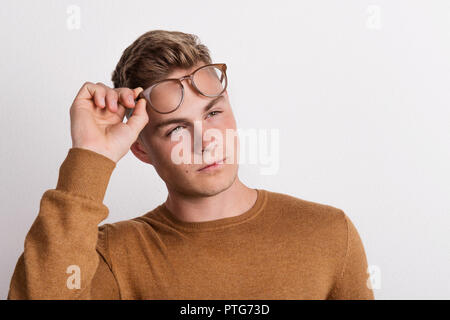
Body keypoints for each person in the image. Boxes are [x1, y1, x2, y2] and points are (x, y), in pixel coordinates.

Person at [7, 30, 374, 300]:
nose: (205, 140)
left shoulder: (328, 234)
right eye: (177, 129)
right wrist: (91, 155)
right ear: (140, 149)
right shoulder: (115, 256)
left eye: (213, 112)